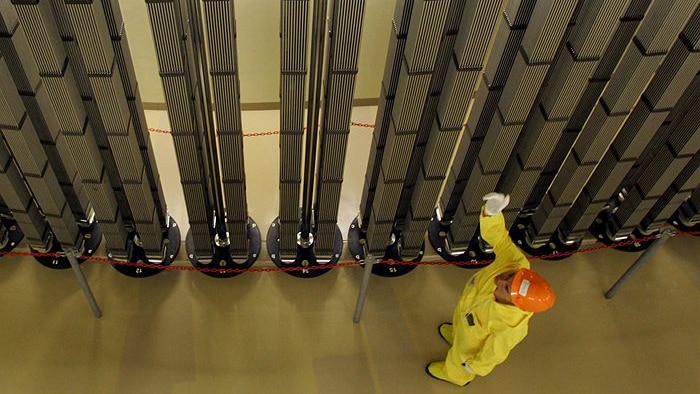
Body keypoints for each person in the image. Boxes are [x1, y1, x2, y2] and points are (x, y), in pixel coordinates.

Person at [425, 192, 555, 386]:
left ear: (516, 303)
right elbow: (500, 239)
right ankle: (456, 333)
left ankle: (456, 376)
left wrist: (476, 367)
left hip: (473, 339)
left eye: (507, 286)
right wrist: (492, 214)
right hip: (468, 310)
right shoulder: (517, 263)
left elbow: (495, 353)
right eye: (511, 277)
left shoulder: (511, 327)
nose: (502, 279)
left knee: (460, 354)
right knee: (459, 325)